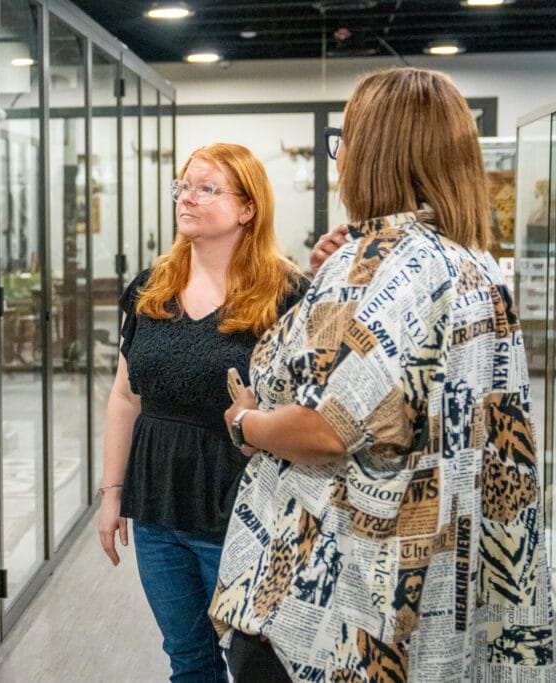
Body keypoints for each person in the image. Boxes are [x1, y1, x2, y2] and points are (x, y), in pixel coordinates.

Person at [212, 67, 555, 681]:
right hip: (432, 595)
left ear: (372, 154)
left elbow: (325, 429)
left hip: (338, 603)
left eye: (344, 141)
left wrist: (245, 424)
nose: (340, 157)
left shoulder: (372, 262)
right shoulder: (474, 266)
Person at [98, 142, 306, 682]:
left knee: (258, 664)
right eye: (182, 186)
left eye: (206, 189)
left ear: (247, 208)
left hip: (241, 508)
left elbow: (306, 412)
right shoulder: (150, 288)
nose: (186, 198)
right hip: (157, 506)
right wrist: (112, 492)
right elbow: (125, 396)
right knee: (188, 658)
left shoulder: (286, 295)